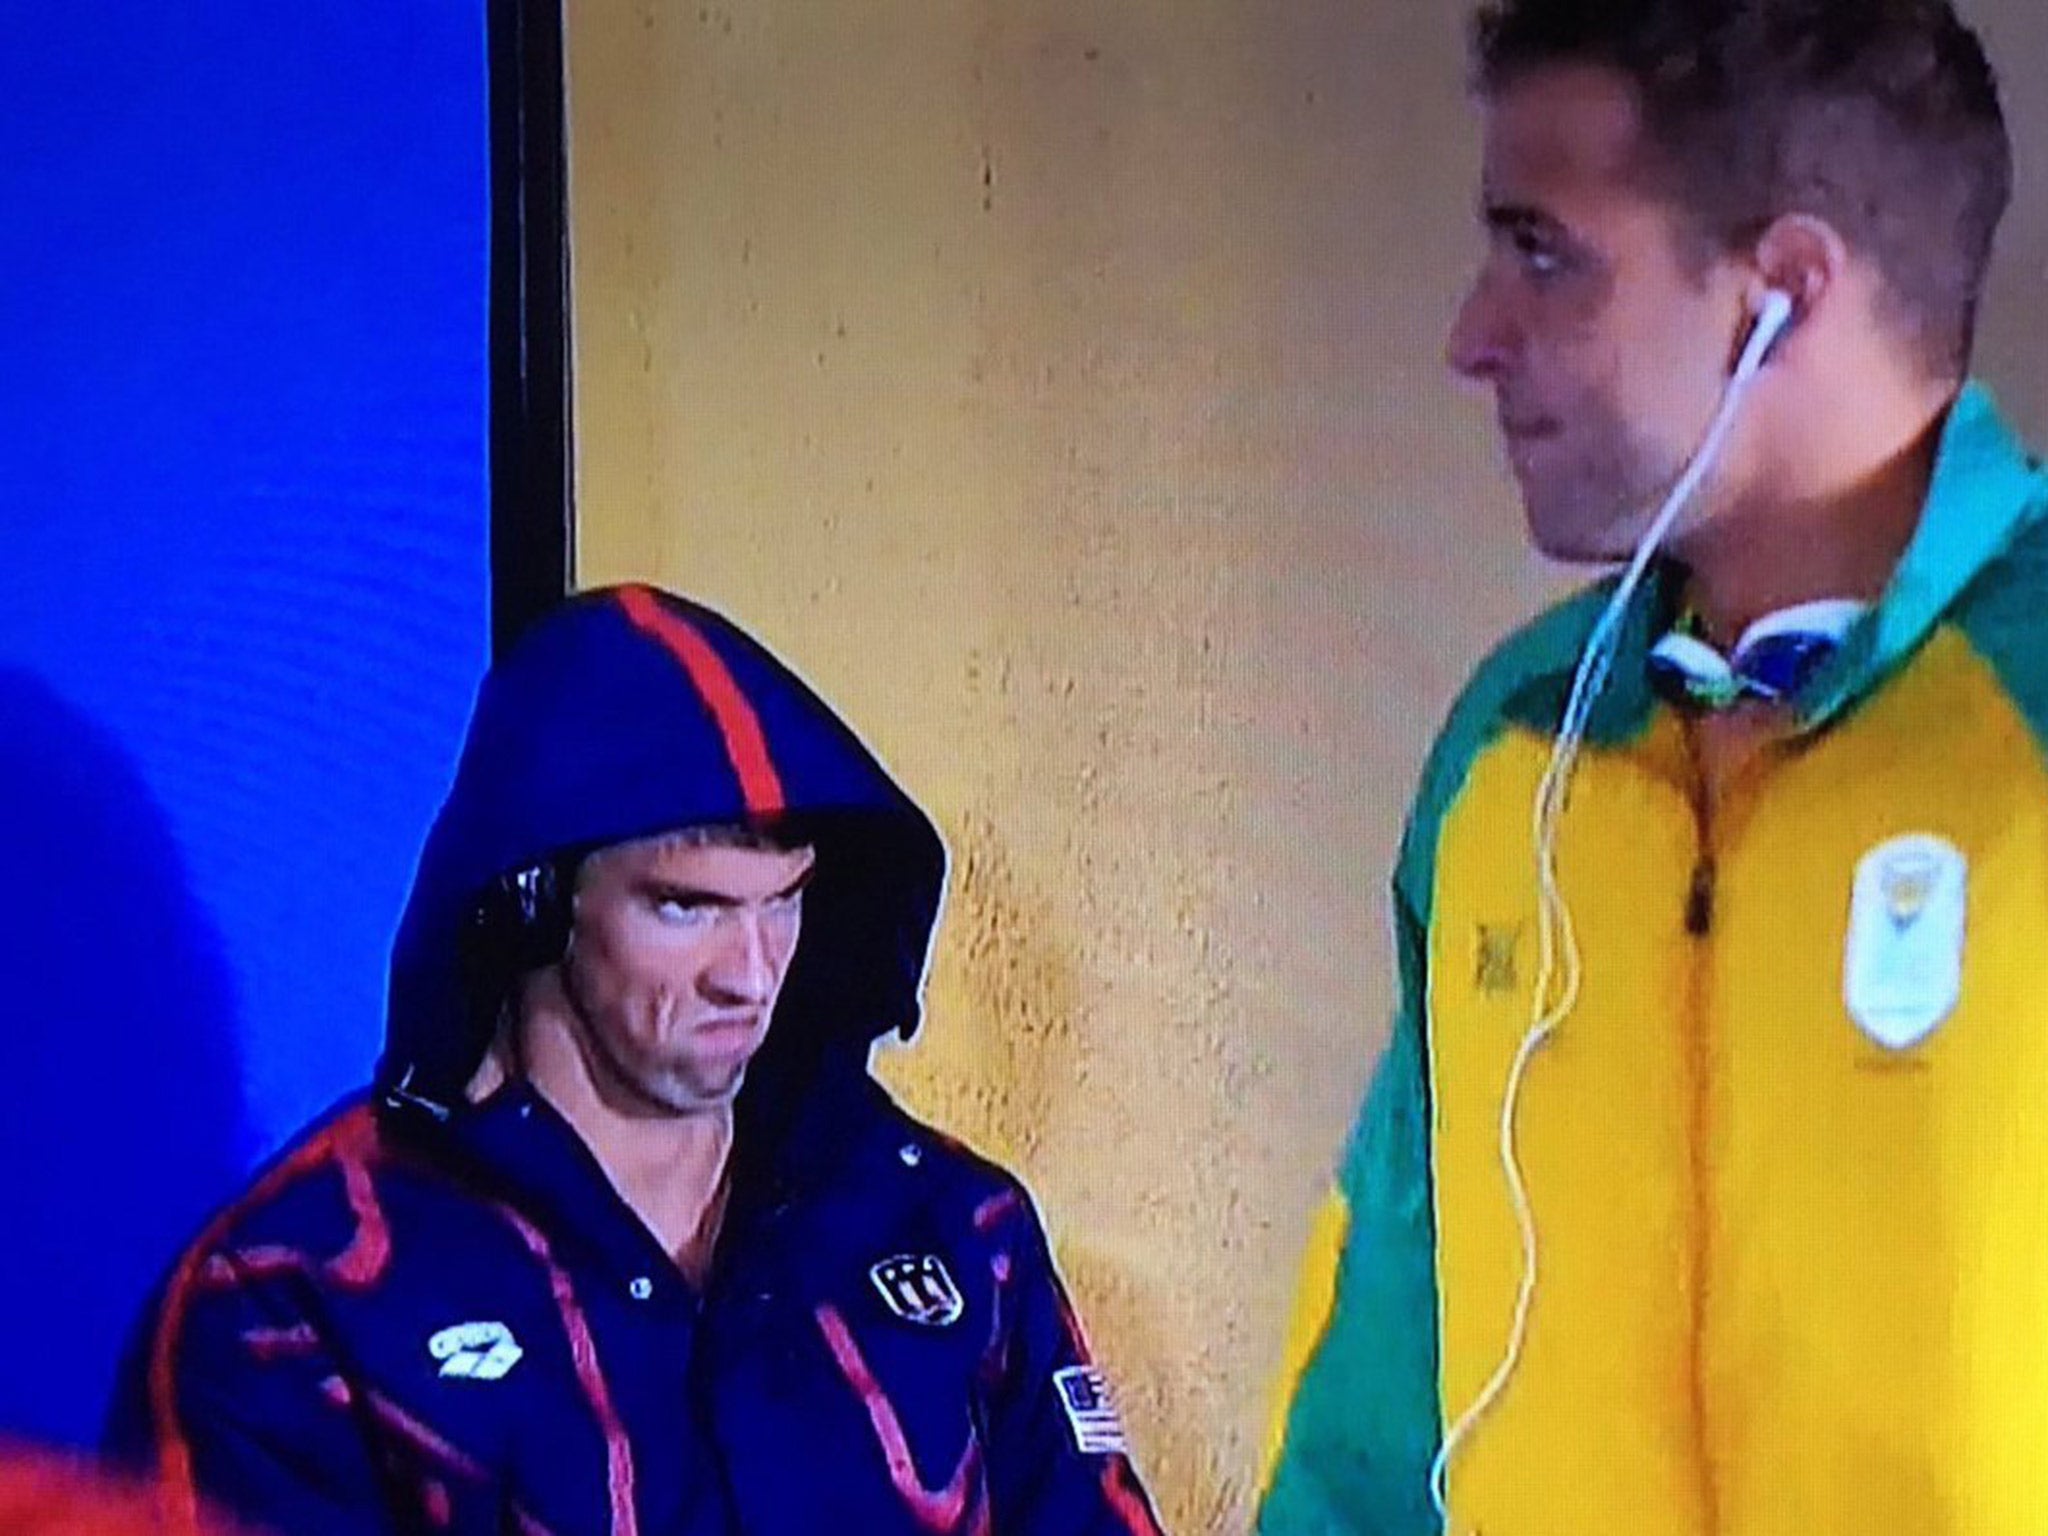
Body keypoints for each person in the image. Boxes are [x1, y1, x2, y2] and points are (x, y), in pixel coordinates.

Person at [1259, 1, 2047, 1532]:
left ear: (1784, 288)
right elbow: (1382, 1373)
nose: (1472, 336)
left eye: (1544, 250)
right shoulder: (1522, 746)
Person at [108, 584, 1164, 1536]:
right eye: (685, 907)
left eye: (783, 902)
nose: (748, 976)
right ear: (531, 907)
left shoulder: (951, 1227)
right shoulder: (304, 1294)